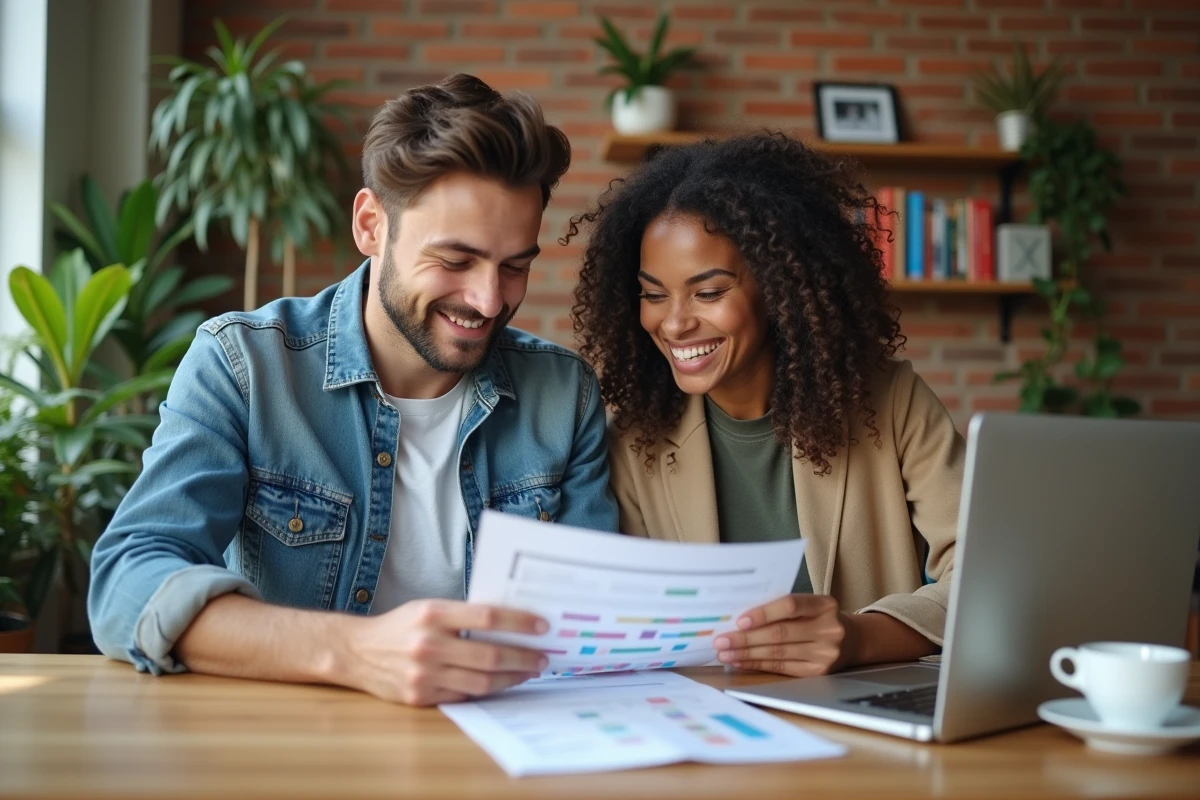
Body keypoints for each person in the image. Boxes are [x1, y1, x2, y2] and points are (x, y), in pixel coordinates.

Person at [89, 74, 617, 706]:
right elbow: (126, 582)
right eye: (454, 261)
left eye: (515, 266)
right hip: (293, 748)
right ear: (371, 225)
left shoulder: (565, 395)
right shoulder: (246, 365)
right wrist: (355, 653)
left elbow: (597, 621)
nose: (487, 299)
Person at [568, 132, 964, 679]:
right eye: (654, 294)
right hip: (710, 720)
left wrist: (859, 637)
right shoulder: (635, 445)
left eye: (708, 292)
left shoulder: (890, 403)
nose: (675, 322)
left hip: (868, 723)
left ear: (778, 288)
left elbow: (983, 574)